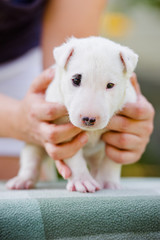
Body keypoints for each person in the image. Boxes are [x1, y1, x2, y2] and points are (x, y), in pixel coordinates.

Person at [0, 0, 154, 179]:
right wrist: (17, 119)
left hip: (20, 58)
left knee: (32, 193)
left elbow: (82, 56)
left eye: (110, 85)